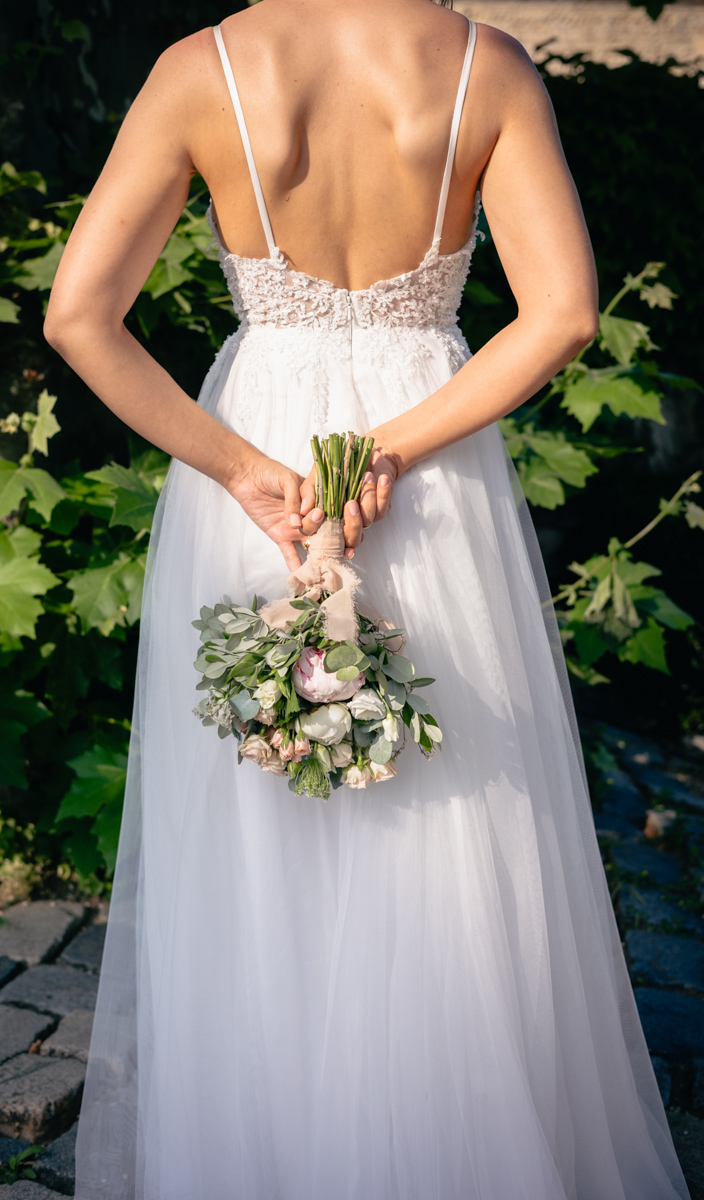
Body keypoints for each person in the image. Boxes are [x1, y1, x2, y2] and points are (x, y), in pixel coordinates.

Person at [45, 0, 690, 1196]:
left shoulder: (202, 69)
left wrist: (242, 468)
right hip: (429, 464)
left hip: (260, 468)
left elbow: (78, 315)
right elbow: (559, 314)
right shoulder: (484, 64)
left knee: (257, 818)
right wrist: (386, 448)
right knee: (451, 808)